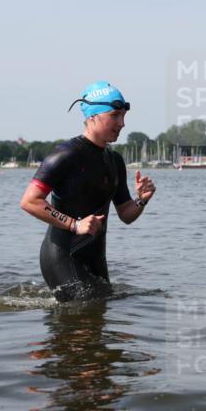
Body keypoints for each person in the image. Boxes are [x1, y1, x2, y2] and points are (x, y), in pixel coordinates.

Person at [19, 81, 155, 302]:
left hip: (95, 257)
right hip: (63, 254)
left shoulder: (114, 160)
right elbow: (29, 201)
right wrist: (74, 224)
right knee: (82, 326)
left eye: (123, 117)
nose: (122, 123)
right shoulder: (65, 155)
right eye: (115, 116)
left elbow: (125, 214)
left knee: (99, 318)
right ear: (93, 116)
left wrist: (141, 200)